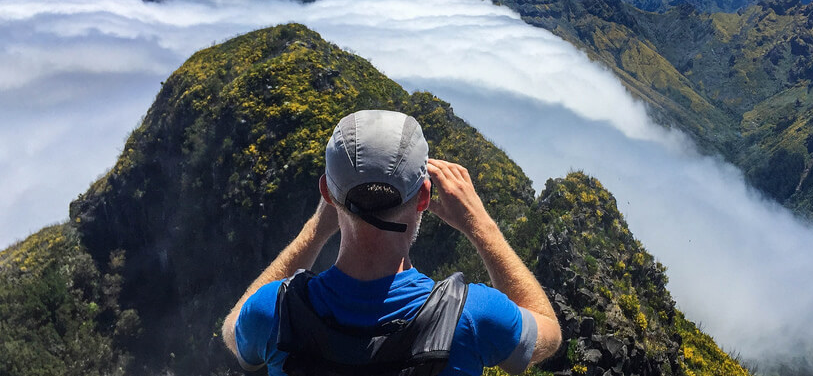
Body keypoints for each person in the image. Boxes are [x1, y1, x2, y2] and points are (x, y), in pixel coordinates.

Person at [221, 109, 562, 375]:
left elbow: (233, 330)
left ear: (326, 192)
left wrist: (315, 230)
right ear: (424, 197)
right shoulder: (473, 316)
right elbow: (548, 334)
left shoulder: (273, 313)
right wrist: (480, 226)